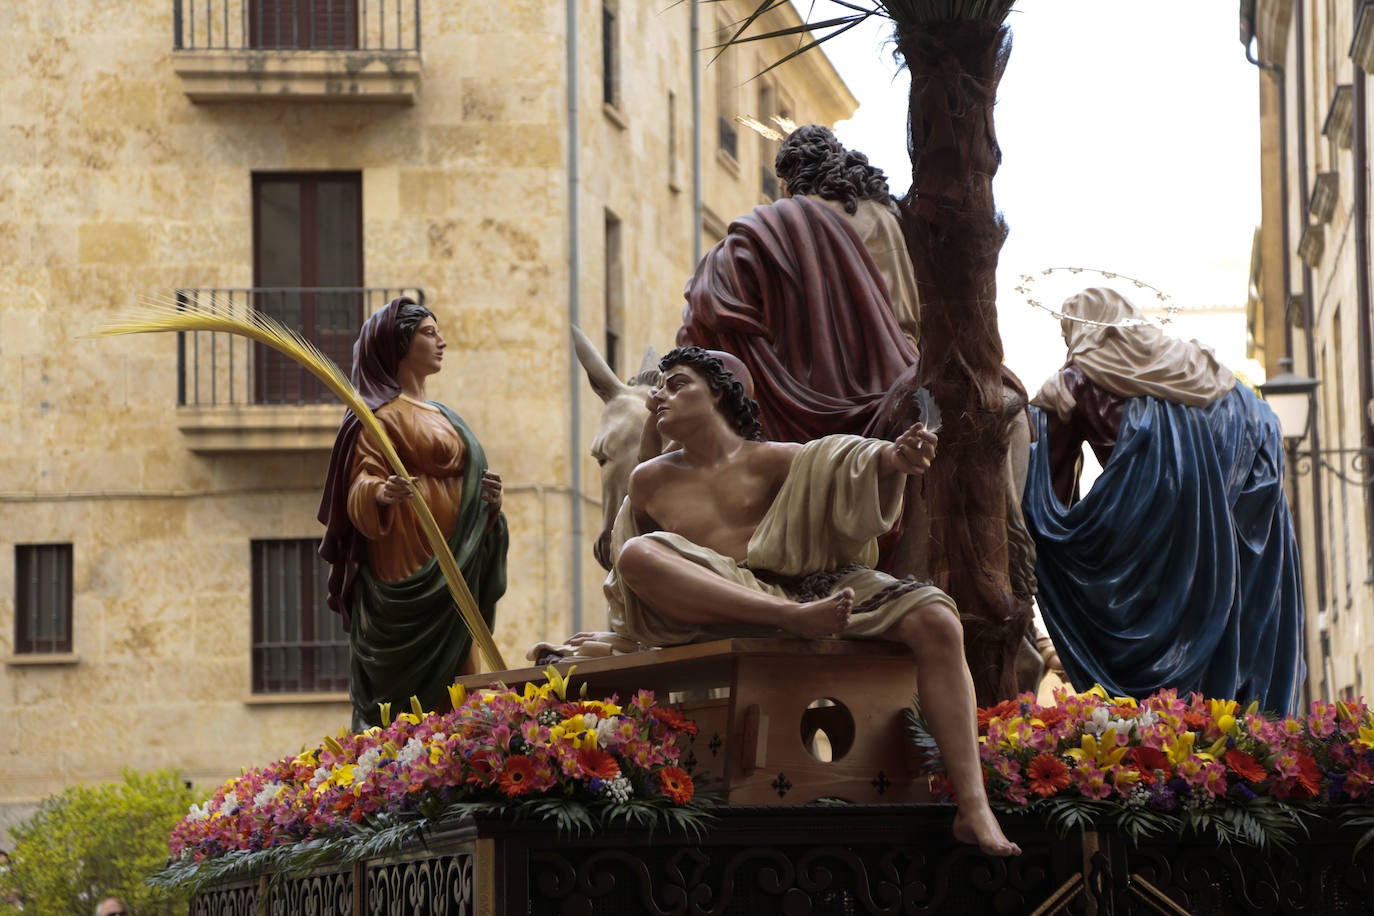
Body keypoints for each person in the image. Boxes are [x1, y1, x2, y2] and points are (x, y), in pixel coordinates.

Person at [607, 347, 1021, 857]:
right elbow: (629, 575)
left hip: (816, 587)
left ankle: (973, 805)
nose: (658, 396)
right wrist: (617, 638)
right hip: (732, 600)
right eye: (660, 387)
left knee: (938, 619)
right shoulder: (648, 481)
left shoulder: (777, 458)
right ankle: (789, 619)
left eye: (676, 384)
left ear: (718, 392)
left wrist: (895, 457)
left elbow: (842, 460)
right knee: (637, 553)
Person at [1022, 288, 1304, 713]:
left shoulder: (1076, 383)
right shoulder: (1214, 378)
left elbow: (1048, 491)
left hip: (1157, 550)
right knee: (1237, 632)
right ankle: (1243, 723)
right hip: (1241, 537)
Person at [318, 296, 509, 730]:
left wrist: (489, 509)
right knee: (405, 708)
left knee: (463, 682)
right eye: (428, 332)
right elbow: (358, 487)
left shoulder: (447, 417)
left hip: (454, 574)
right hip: (405, 576)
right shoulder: (376, 418)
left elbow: (470, 487)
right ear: (398, 344)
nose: (441, 341)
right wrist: (380, 493)